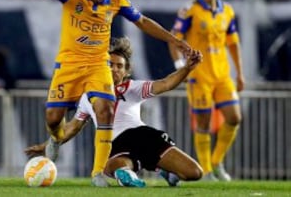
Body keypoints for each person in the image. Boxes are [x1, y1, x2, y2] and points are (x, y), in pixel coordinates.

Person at [5, 0, 191, 187]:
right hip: (69, 64)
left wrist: (174, 40)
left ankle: (98, 173)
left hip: (97, 64)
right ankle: (55, 140)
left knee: (105, 109)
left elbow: (141, 21)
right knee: (54, 119)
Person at [25, 37, 203, 187]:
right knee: (111, 167)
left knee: (194, 173)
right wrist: (48, 145)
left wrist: (187, 68)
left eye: (119, 66)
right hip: (114, 143)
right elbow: (72, 127)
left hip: (142, 136)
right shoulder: (89, 97)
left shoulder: (133, 88)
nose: (114, 69)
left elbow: (165, 84)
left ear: (126, 72)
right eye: (110, 64)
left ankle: (161, 168)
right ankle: (135, 175)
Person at [168, 0, 245, 181]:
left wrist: (239, 73)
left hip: (222, 75)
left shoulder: (227, 11)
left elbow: (233, 44)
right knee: (203, 123)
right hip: (198, 76)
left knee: (234, 117)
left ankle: (217, 161)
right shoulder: (190, 10)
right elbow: (174, 39)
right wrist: (181, 67)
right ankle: (207, 171)